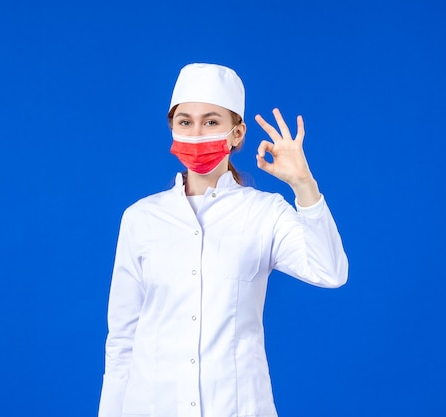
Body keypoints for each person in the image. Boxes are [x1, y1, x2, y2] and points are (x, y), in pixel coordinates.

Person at [98, 63, 348, 417]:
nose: (197, 132)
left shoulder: (264, 213)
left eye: (211, 121)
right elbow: (122, 340)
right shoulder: (141, 218)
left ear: (237, 133)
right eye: (185, 121)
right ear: (172, 128)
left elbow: (331, 271)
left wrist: (303, 184)